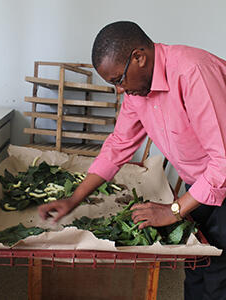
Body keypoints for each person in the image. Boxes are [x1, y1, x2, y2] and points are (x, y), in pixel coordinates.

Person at [38, 21, 226, 299]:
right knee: (197, 259)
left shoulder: (192, 72)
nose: (119, 90)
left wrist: (172, 210)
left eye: (118, 80)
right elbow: (118, 145)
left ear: (139, 57)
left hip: (220, 174)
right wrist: (74, 198)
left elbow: (223, 161)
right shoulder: (138, 90)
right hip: (200, 181)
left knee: (219, 269)